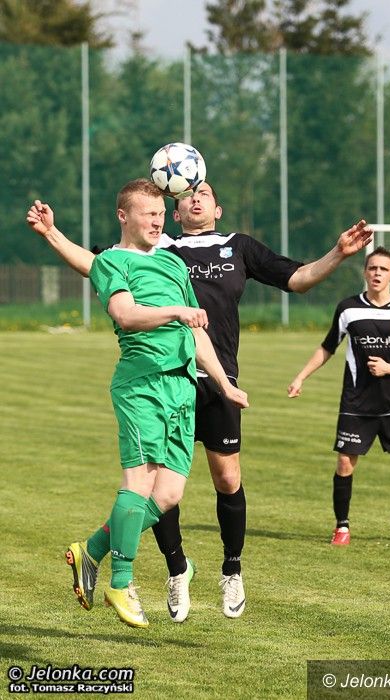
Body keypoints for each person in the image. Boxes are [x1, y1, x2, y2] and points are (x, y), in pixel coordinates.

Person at [26, 180, 373, 621]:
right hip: (148, 380)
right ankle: (149, 576)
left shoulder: (227, 249)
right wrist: (53, 234)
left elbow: (295, 279)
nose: (190, 199)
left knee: (182, 490)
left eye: (202, 191)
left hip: (199, 377)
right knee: (143, 482)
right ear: (173, 210)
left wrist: (338, 253)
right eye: (177, 198)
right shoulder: (151, 251)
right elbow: (101, 273)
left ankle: (208, 567)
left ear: (217, 207)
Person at [26, 179, 248, 629]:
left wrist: (224, 384)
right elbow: (126, 315)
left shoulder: (172, 262)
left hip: (182, 388)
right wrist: (176, 312)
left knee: (168, 495)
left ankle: (91, 550)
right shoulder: (112, 262)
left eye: (161, 214)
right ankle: (120, 583)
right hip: (142, 384)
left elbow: (196, 333)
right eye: (148, 213)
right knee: (139, 484)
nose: (157, 221)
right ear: (123, 216)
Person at [288, 246, 390, 546]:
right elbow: (327, 347)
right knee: (345, 463)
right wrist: (301, 377)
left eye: (383, 269)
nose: (377, 273)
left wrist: (388, 368)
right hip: (357, 402)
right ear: (365, 273)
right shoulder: (348, 309)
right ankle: (342, 526)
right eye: (372, 268)